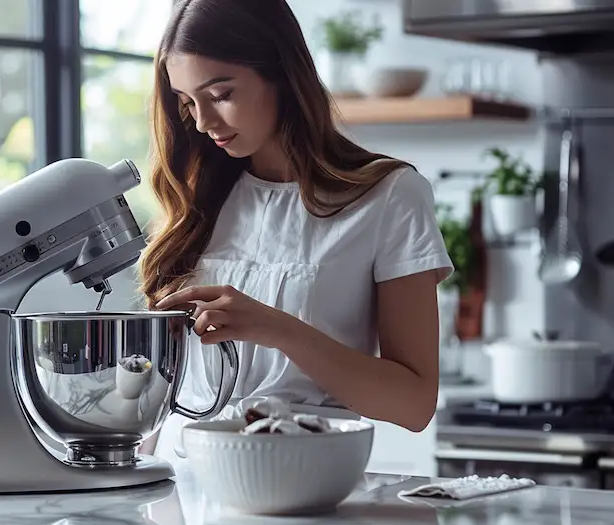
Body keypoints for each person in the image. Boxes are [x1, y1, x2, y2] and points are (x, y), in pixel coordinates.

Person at [137, 0, 454, 461]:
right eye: (188, 103)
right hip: (174, 488)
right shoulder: (194, 203)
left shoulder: (390, 196)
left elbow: (414, 404)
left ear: (282, 73)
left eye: (221, 94)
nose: (204, 123)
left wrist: (277, 328)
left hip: (301, 482)